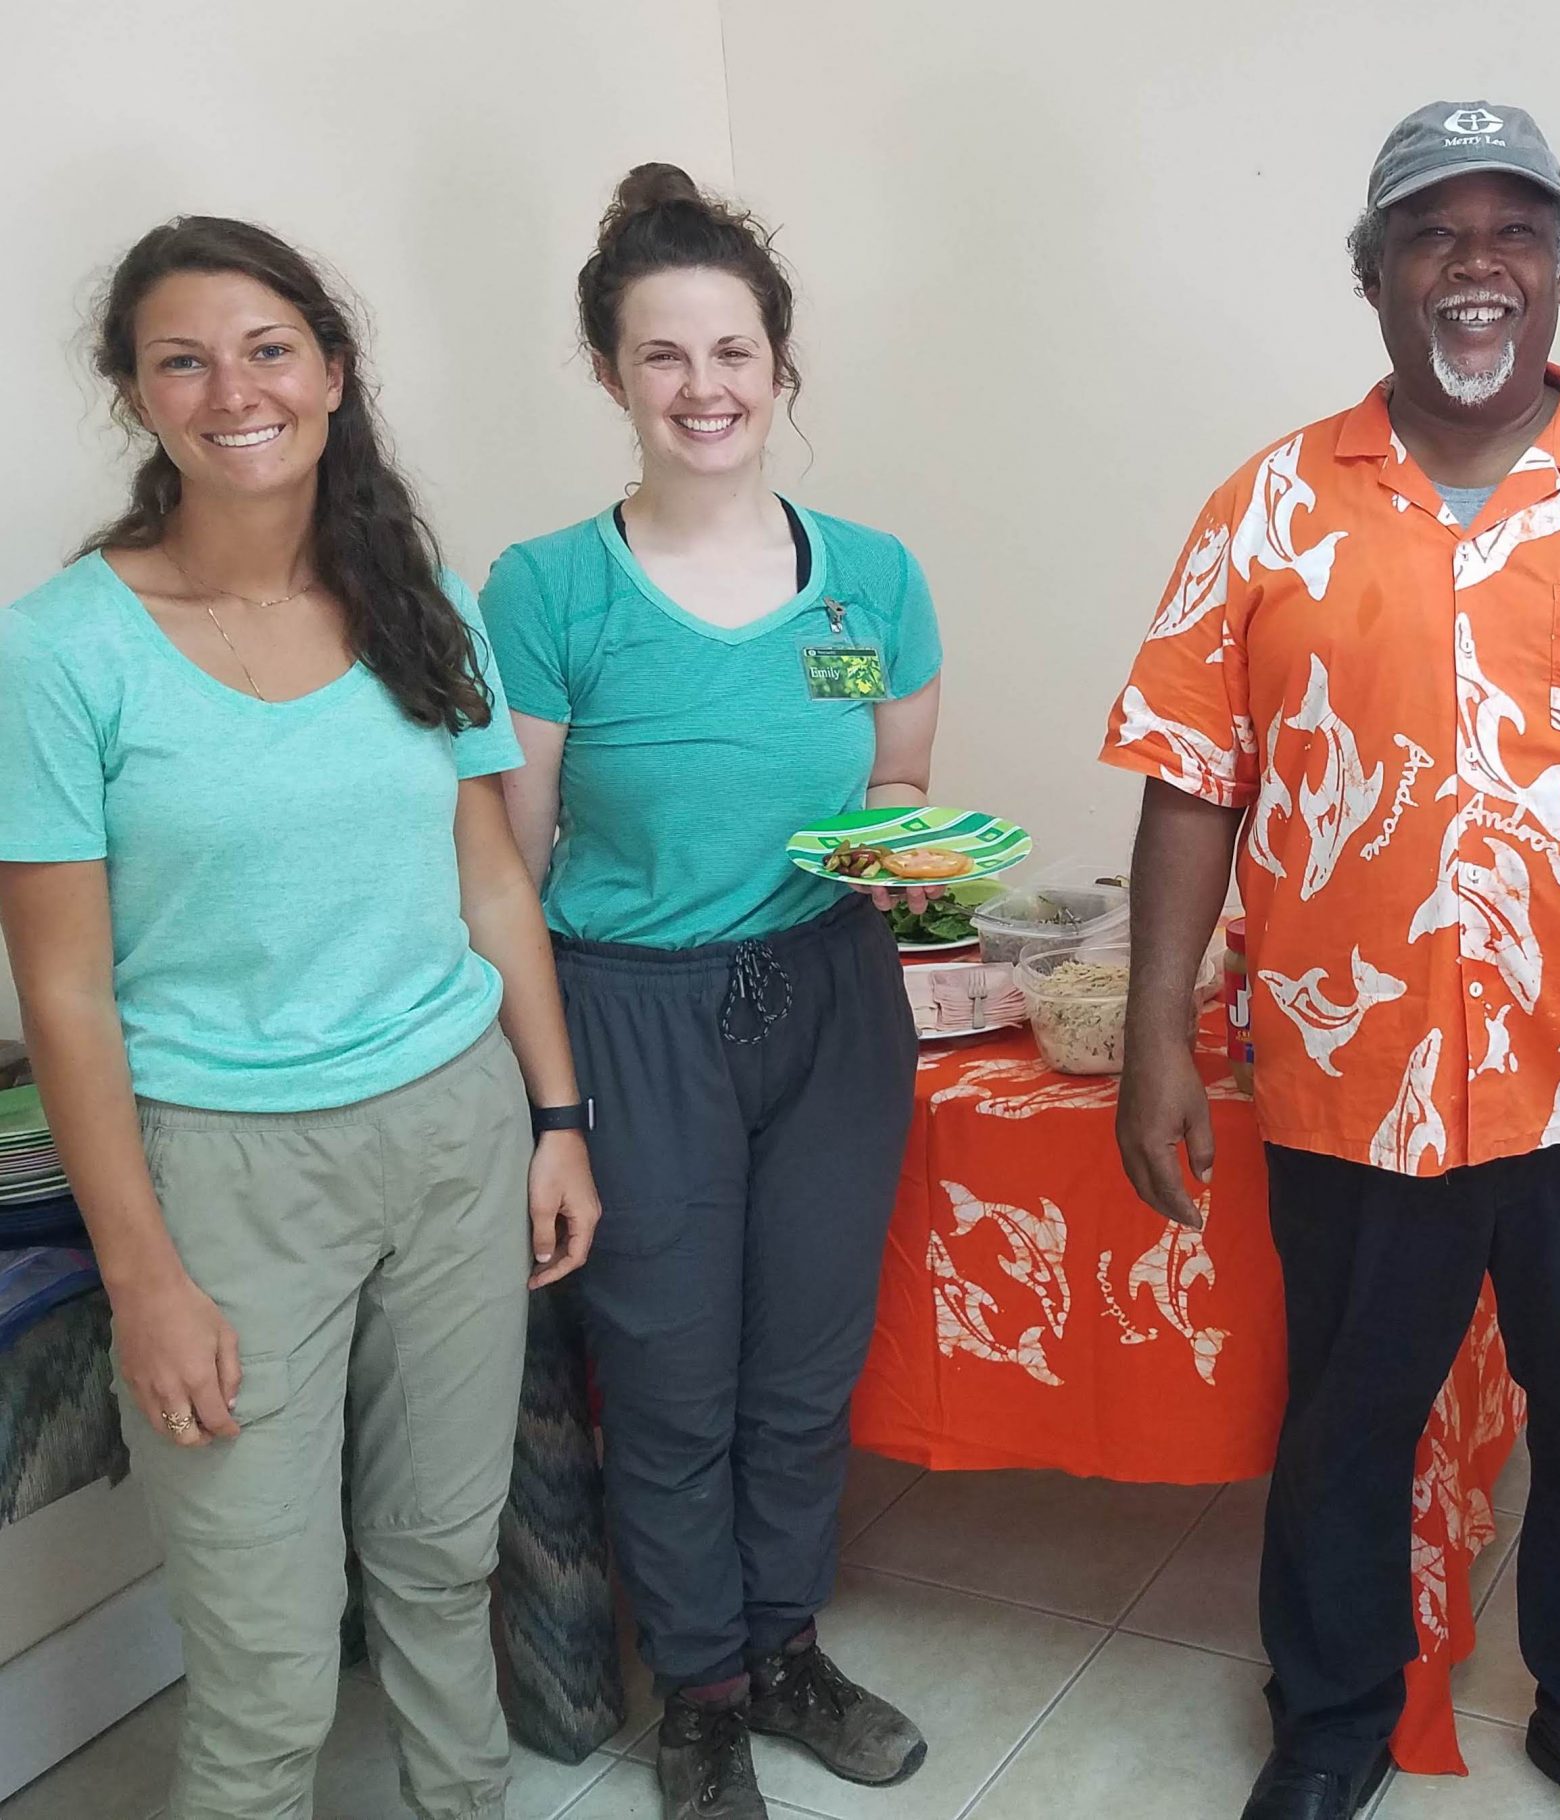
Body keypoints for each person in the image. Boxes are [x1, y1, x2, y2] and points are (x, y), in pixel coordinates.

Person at [1104, 102, 1560, 1820]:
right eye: (1436, 233)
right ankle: (1335, 1715)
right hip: (1353, 1079)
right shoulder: (1268, 506)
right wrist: (1155, 1028)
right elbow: (1191, 781)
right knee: (1348, 1427)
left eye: (1516, 232)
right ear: (1374, 274)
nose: (1478, 266)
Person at [0, 217, 602, 1820]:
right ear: (135, 396)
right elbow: (60, 989)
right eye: (180, 359)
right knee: (265, 1652)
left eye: (268, 348)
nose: (232, 389)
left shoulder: (416, 599)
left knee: (440, 1556)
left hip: (456, 1132)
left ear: (334, 372)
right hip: (223, 1175)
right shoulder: (62, 652)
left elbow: (489, 888)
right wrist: (143, 1279)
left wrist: (555, 1120)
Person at [479, 165, 938, 1820]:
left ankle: (786, 1646)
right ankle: (703, 1692)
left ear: (780, 363)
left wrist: (912, 855)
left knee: (804, 1370)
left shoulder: (872, 575)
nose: (705, 389)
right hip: (633, 1012)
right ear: (610, 374)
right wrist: (540, 1100)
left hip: (830, 1002)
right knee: (670, 1381)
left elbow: (896, 803)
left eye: (733, 352)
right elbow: (508, 868)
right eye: (663, 356)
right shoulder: (546, 592)